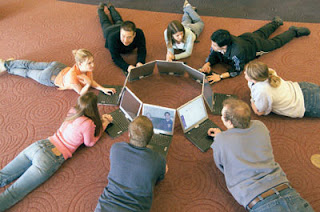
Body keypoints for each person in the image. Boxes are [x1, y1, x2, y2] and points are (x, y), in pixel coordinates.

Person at [0, 92, 113, 211]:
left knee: (3, 175)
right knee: (13, 193)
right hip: (51, 158)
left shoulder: (73, 111)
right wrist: (104, 123)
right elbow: (90, 142)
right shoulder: (88, 123)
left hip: (39, 145)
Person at [207, 98, 314, 211]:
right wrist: (223, 137)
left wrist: (220, 138)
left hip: (260, 201)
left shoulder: (221, 140)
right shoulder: (260, 125)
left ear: (229, 122)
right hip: (288, 191)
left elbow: (223, 167)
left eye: (222, 116)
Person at [200, 16, 310, 83]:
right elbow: (214, 53)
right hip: (247, 38)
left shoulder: (237, 53)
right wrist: (208, 63)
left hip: (257, 47)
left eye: (214, 45)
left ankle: (294, 31)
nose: (212, 46)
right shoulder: (222, 39)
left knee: (275, 43)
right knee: (262, 32)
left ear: (224, 46)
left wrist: (220, 76)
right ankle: (276, 22)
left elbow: (238, 69)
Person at [95, 116, 167, 212]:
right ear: (152, 137)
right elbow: (163, 173)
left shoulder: (116, 148)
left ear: (129, 134)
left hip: (106, 206)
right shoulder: (158, 160)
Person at [0, 49, 116, 96]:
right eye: (89, 63)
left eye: (92, 62)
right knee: (28, 72)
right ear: (80, 64)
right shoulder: (73, 76)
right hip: (49, 77)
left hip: (58, 66)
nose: (93, 65)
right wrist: (87, 84)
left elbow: (91, 80)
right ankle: (8, 67)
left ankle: (7, 64)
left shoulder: (86, 69)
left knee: (31, 65)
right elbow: (81, 93)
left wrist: (102, 88)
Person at [244, 61, 320, 118]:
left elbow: (259, 111)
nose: (244, 73)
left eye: (246, 73)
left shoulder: (262, 91)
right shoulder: (269, 71)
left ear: (254, 79)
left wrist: (252, 101)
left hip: (305, 104)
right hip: (303, 87)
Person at [97, 2, 147, 76]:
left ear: (134, 34)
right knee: (105, 22)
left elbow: (142, 49)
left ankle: (111, 7)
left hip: (120, 26)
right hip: (109, 30)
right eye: (123, 36)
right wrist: (127, 67)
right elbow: (115, 57)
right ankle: (100, 9)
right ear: (120, 32)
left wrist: (140, 62)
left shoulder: (139, 33)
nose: (125, 40)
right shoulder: (112, 38)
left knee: (118, 19)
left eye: (129, 37)